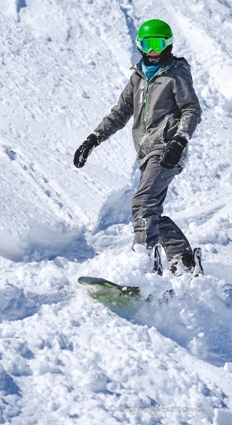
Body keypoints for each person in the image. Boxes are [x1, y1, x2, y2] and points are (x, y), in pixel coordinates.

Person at [73, 19, 203, 276]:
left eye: (157, 44)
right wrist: (93, 139)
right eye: (147, 44)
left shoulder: (176, 73)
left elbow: (191, 109)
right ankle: (184, 260)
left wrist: (179, 140)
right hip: (146, 154)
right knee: (150, 212)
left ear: (168, 44)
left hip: (167, 149)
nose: (152, 51)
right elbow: (120, 113)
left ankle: (143, 267)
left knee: (142, 203)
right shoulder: (138, 77)